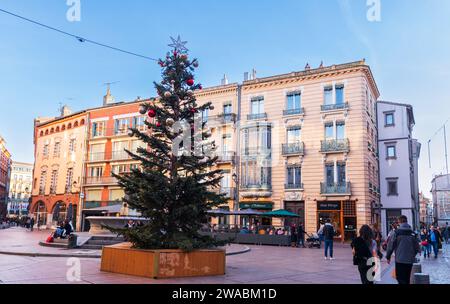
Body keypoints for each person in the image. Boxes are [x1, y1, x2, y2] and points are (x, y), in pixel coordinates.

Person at [386, 215, 420, 285]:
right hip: (409, 260)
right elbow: (417, 247)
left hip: (399, 260)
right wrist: (412, 255)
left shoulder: (396, 233)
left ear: (399, 222)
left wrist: (388, 256)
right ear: (406, 221)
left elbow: (390, 246)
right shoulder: (412, 233)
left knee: (400, 278)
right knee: (407, 279)